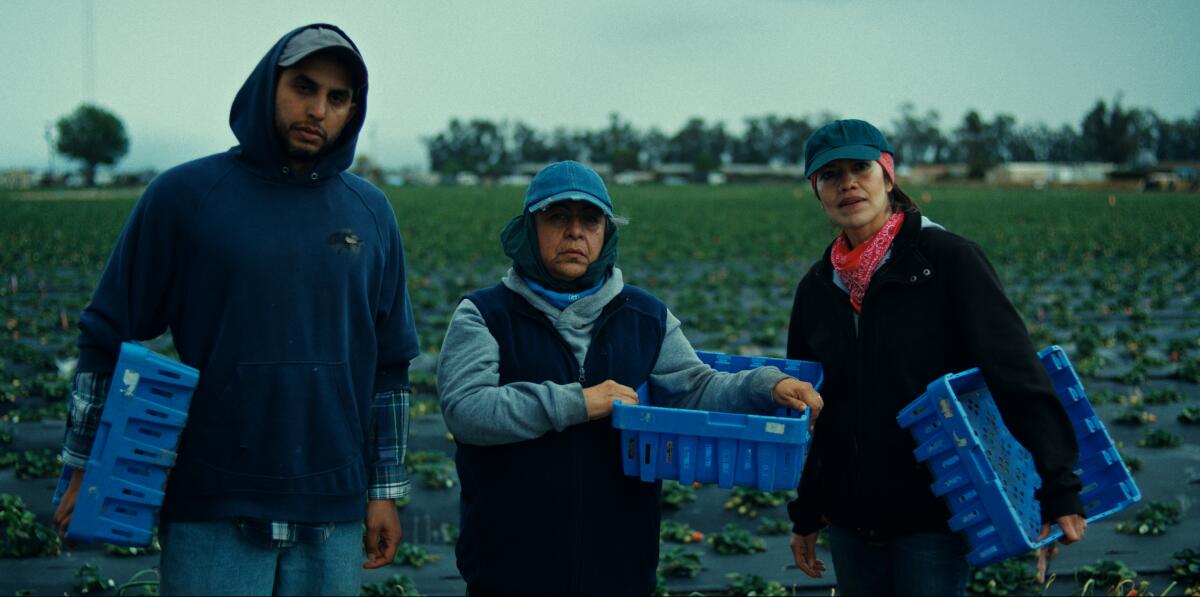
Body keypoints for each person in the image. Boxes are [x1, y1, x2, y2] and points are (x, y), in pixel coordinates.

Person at [51, 24, 418, 596]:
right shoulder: (186, 197)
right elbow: (105, 334)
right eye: (303, 87)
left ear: (353, 110)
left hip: (333, 505)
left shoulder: (370, 212)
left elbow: (391, 367)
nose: (318, 109)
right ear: (267, 86)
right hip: (212, 501)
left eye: (338, 98)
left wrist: (383, 491)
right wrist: (83, 473)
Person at [436, 160, 824, 595]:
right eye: (557, 217)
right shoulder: (485, 315)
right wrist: (580, 402)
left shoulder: (645, 316)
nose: (575, 232)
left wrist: (764, 385)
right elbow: (467, 410)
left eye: (590, 219)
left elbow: (695, 388)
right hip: (508, 567)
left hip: (620, 566)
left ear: (606, 232)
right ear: (529, 228)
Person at [784, 119, 1086, 596]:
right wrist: (808, 509)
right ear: (816, 191)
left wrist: (1058, 483)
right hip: (850, 518)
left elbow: (1014, 372)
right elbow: (815, 409)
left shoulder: (948, 261)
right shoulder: (818, 289)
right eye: (830, 175)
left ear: (887, 175)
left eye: (860, 167)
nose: (848, 184)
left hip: (933, 510)